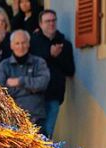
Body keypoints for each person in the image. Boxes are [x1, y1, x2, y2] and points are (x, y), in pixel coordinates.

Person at [28, 8, 74, 138]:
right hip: (34, 96)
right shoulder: (32, 43)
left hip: (54, 95)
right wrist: (49, 54)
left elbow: (70, 70)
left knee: (47, 134)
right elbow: (30, 64)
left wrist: (57, 56)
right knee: (32, 133)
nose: (51, 24)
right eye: (47, 21)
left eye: (53, 20)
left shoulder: (64, 44)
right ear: (41, 24)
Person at [0, 31, 50, 126]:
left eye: (24, 43)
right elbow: (1, 91)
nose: (21, 46)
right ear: (11, 45)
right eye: (17, 43)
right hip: (11, 120)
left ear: (28, 44)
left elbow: (42, 84)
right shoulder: (4, 66)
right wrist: (31, 89)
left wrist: (20, 81)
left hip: (36, 118)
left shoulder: (39, 62)